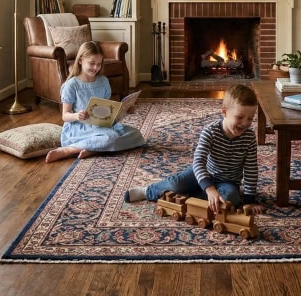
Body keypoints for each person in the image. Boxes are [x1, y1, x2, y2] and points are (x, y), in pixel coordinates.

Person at [124, 84, 264, 215]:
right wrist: (209, 188)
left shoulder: (249, 137)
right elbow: (198, 162)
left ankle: (192, 196)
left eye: (250, 119)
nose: (245, 123)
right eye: (240, 117)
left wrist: (250, 200)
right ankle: (148, 191)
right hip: (202, 174)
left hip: (227, 182)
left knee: (231, 197)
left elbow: (251, 168)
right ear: (224, 112)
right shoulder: (210, 131)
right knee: (176, 183)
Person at [46, 41, 145, 162]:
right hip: (81, 127)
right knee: (111, 137)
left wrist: (124, 110)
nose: (95, 68)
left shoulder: (103, 81)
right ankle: (70, 150)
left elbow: (107, 109)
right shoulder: (72, 85)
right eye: (92, 63)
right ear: (81, 60)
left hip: (101, 125)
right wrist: (77, 116)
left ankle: (93, 148)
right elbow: (65, 116)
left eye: (99, 64)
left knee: (136, 134)